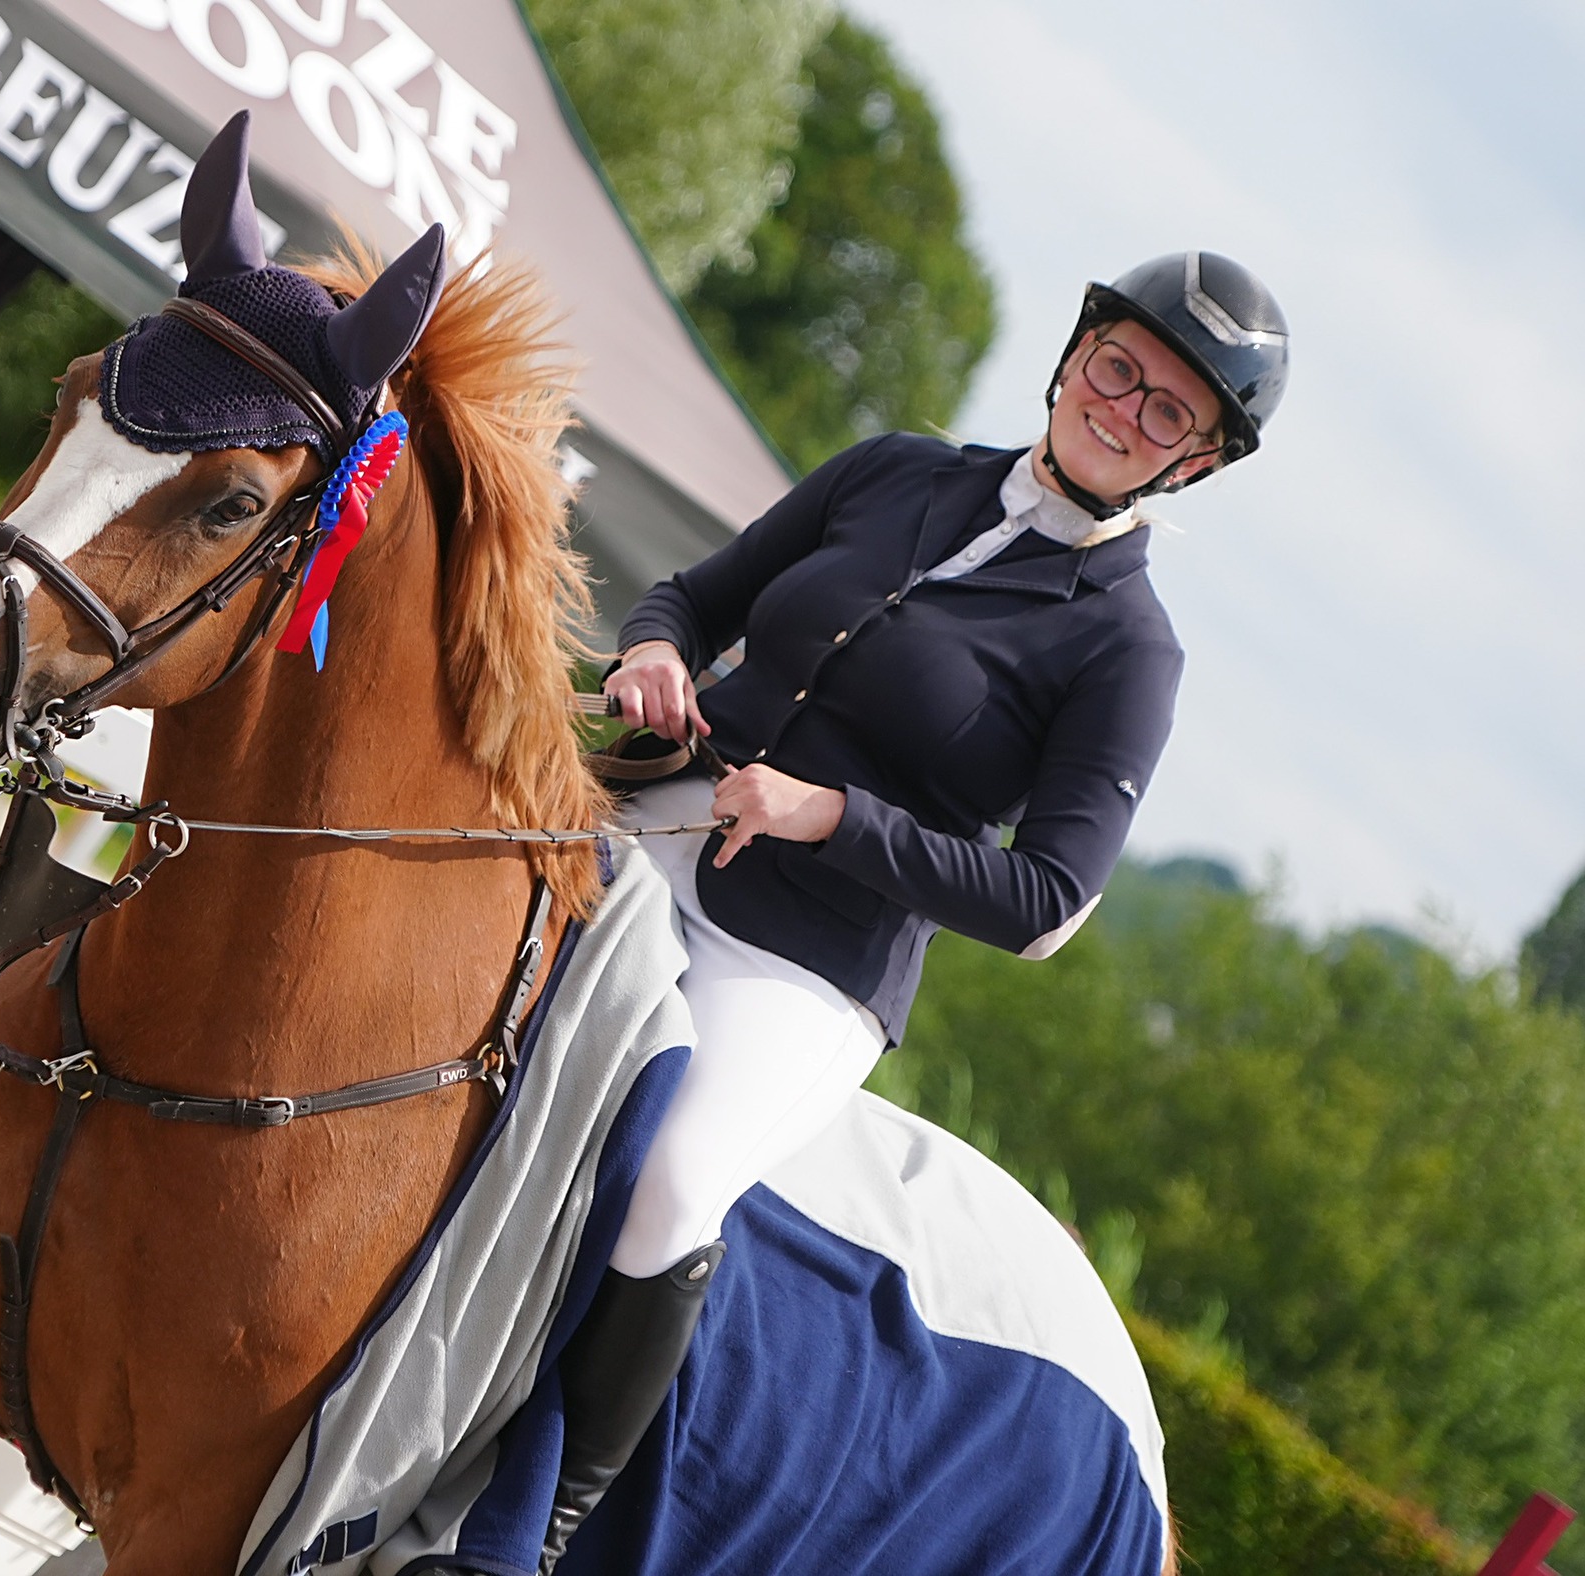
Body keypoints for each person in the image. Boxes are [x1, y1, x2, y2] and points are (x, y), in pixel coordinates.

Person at [457, 251, 1291, 1575]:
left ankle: (542, 1525)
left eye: (1167, 413)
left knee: (674, 1183)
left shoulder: (1129, 651)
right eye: (1120, 369)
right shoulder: (897, 469)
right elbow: (695, 593)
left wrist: (831, 818)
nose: (1124, 409)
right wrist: (657, 650)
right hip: (651, 823)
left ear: (1192, 465)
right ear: (1077, 352)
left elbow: (1047, 901)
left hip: (810, 959)